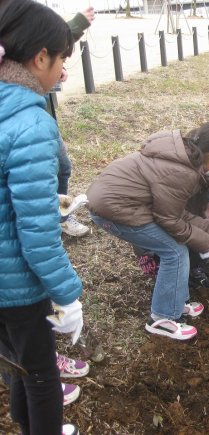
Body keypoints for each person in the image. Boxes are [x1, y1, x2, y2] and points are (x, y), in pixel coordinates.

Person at [0, 1, 84, 434]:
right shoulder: (31, 123)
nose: (62, 71)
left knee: (17, 363)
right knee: (42, 375)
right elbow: (37, 233)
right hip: (15, 282)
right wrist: (68, 294)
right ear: (39, 58)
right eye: (61, 59)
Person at [86, 122, 209, 340]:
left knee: (175, 248)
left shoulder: (180, 158)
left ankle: (176, 302)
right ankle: (162, 318)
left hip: (118, 202)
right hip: (114, 209)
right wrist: (207, 244)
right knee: (175, 251)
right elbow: (170, 220)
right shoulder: (183, 172)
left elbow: (174, 212)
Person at [50, 6, 96, 237]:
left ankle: (61, 215)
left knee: (62, 167)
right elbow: (34, 42)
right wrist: (75, 26)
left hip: (41, 114)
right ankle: (56, 218)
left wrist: (55, 68)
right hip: (24, 119)